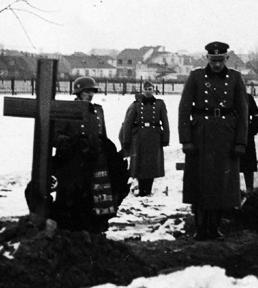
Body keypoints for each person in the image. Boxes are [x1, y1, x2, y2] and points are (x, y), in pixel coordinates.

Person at [179, 41, 248, 240]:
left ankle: (214, 229)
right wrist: (186, 139)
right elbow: (184, 109)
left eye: (220, 60)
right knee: (201, 182)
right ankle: (200, 229)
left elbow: (243, 111)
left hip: (226, 135)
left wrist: (240, 142)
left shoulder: (235, 78)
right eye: (213, 60)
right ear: (206, 58)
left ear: (226, 58)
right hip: (201, 134)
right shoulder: (196, 76)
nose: (217, 64)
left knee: (221, 184)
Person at [51, 76, 126, 232]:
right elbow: (55, 136)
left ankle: (94, 226)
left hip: (94, 160)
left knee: (96, 194)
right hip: (73, 161)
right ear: (78, 92)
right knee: (72, 195)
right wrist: (74, 143)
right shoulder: (67, 109)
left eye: (92, 91)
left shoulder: (97, 110)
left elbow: (101, 134)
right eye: (87, 91)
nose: (90, 94)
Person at [119, 81, 170, 197]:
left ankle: (148, 190)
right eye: (146, 89)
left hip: (154, 136)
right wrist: (126, 140)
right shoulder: (136, 105)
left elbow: (165, 122)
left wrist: (165, 138)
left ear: (153, 90)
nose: (148, 91)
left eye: (150, 89)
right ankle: (142, 189)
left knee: (152, 164)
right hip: (139, 136)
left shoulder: (160, 104)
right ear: (143, 91)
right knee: (140, 164)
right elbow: (128, 123)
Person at [241, 92, 258, 194]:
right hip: (228, 136)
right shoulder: (223, 96)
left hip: (246, 137)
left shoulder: (247, 97)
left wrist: (250, 131)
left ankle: (249, 192)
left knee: (248, 167)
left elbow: (257, 117)